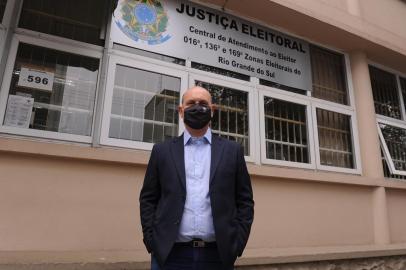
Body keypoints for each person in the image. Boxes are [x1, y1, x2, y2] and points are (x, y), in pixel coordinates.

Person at [139, 86, 254, 270]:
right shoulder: (162, 151)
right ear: (181, 110)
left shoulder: (232, 151)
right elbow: (148, 199)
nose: (197, 107)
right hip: (170, 255)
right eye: (191, 103)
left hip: (218, 256)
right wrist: (151, 240)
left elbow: (245, 200)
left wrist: (237, 243)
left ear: (212, 110)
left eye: (203, 104)